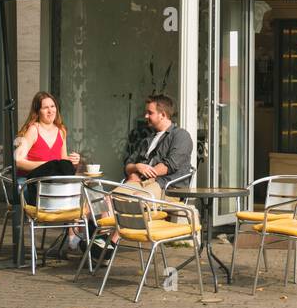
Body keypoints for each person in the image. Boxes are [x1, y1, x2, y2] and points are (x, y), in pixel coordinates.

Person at [94, 95, 194, 257]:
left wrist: (145, 173)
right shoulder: (147, 139)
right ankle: (101, 239)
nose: (146, 116)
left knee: (135, 199)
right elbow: (128, 166)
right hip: (142, 183)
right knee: (109, 199)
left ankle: (110, 243)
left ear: (163, 114)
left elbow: (171, 165)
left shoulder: (180, 136)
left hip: (167, 187)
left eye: (150, 112)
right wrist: (137, 167)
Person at [14, 91, 83, 248]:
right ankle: (74, 235)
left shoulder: (61, 131)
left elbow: (63, 161)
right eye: (45, 107)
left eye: (53, 106)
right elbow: (18, 161)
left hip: (52, 185)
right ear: (38, 111)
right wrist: (46, 165)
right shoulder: (33, 130)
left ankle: (75, 234)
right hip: (32, 183)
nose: (50, 111)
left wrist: (74, 161)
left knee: (70, 176)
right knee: (57, 170)